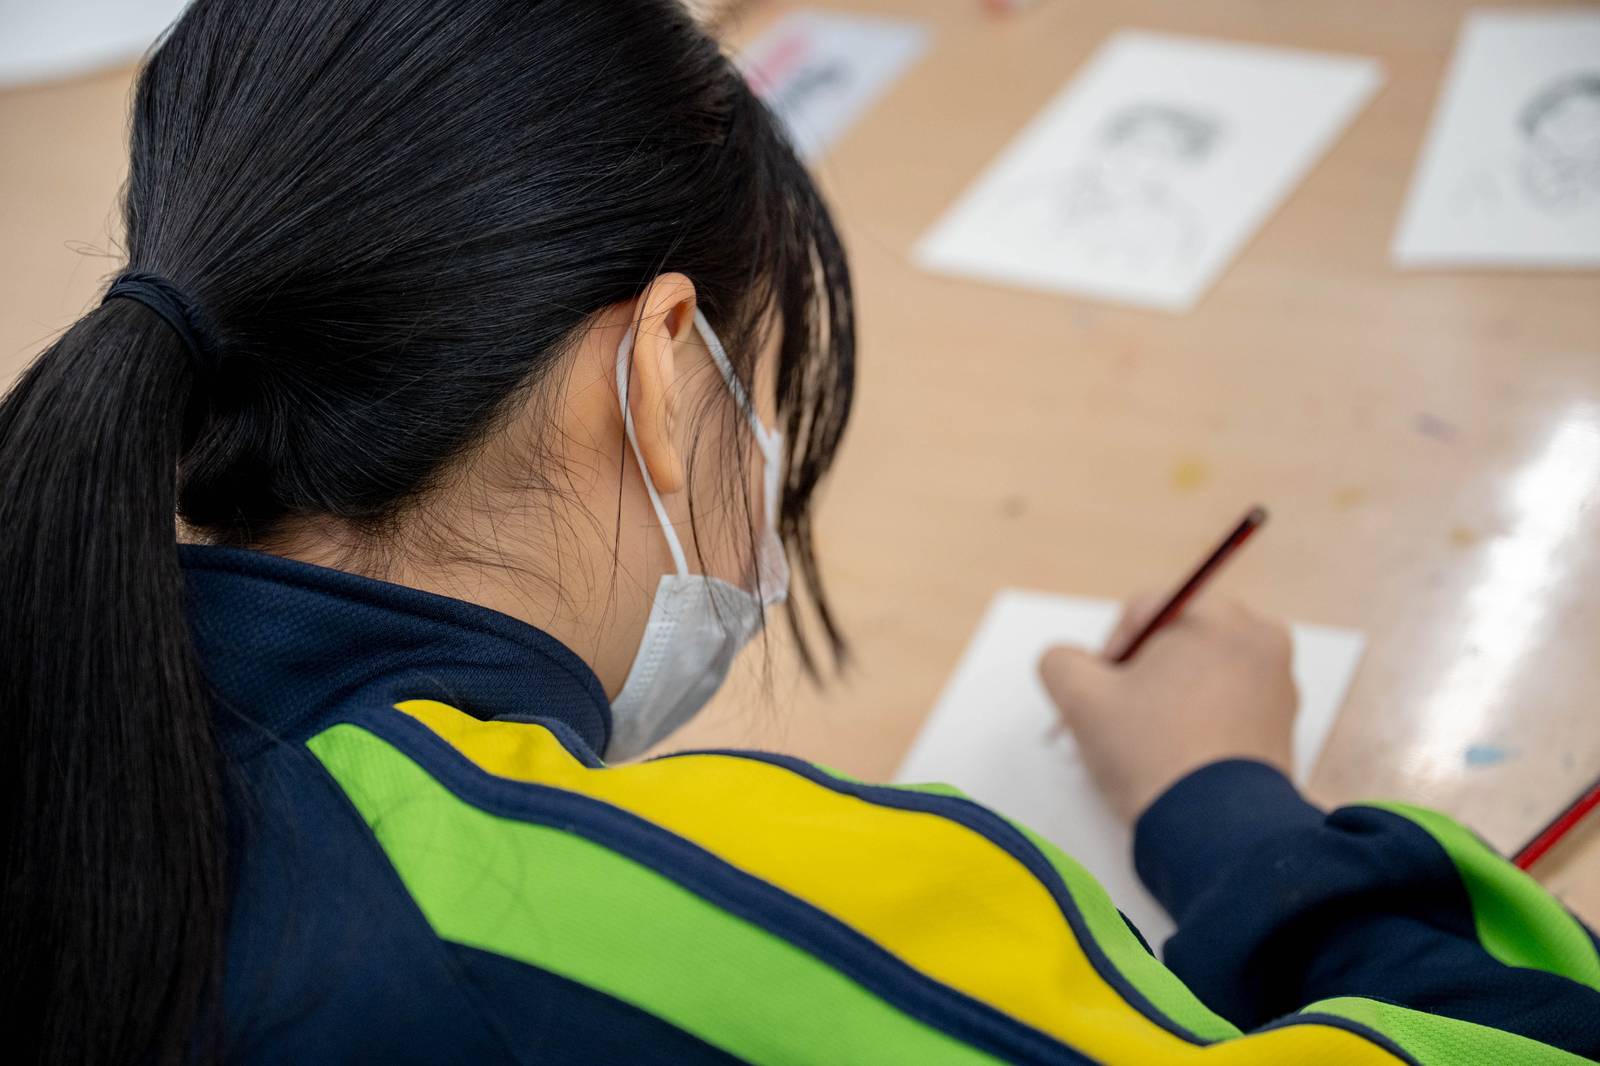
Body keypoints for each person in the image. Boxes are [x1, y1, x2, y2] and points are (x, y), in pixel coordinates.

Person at [2, 2, 1596, 1063]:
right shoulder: (670, 926)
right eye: (750, 380)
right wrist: (1235, 812)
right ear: (657, 364)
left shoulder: (69, 672)